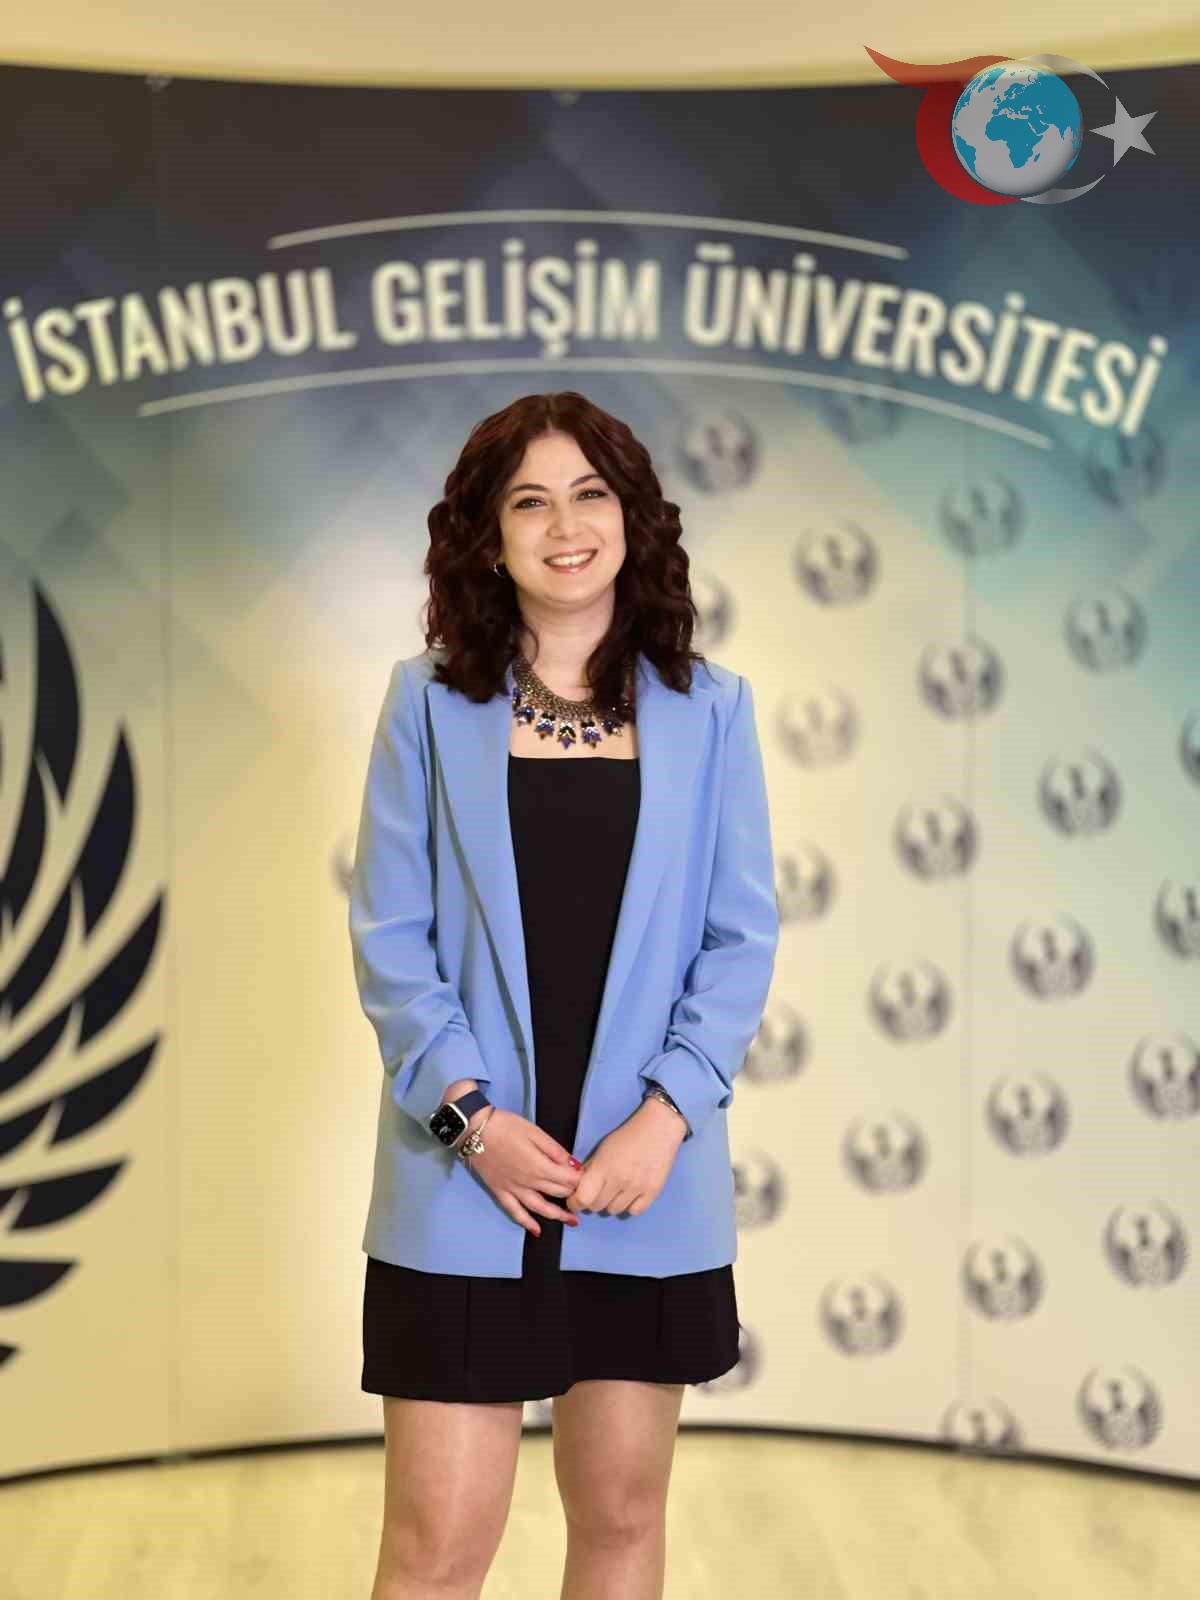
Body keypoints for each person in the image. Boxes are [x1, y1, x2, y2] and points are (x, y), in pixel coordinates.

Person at [348, 389, 779, 1600]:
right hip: (465, 1177)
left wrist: (667, 1117)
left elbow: (739, 938)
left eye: (591, 494)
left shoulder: (714, 710)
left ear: (633, 518)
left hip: (639, 1182)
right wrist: (471, 1122)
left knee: (623, 1521)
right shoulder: (426, 703)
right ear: (489, 539)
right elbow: (391, 939)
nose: (566, 526)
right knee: (434, 1549)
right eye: (529, 502)